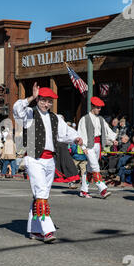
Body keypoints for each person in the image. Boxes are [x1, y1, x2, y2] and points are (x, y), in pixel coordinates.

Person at [13, 83, 82, 243]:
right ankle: (47, 230)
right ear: (38, 100)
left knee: (40, 194)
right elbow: (17, 109)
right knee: (42, 192)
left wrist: (75, 138)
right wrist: (31, 97)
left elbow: (65, 133)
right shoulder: (29, 113)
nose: (46, 104)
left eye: (49, 101)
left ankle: (34, 230)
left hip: (49, 159)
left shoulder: (55, 118)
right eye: (43, 100)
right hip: (34, 158)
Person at [77, 97, 117, 199]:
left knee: (90, 169)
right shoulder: (84, 119)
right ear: (92, 107)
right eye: (98, 107)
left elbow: (107, 131)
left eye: (100, 108)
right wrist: (83, 146)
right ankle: (102, 189)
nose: (99, 109)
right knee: (95, 167)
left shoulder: (101, 119)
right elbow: (80, 134)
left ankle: (83, 190)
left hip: (98, 145)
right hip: (89, 146)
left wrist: (113, 140)